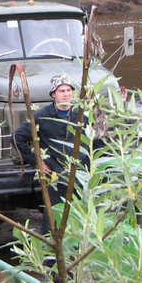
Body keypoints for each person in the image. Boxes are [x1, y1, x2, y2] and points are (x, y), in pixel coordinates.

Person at [12, 74, 96, 202]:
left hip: (82, 172)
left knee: (83, 211)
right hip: (56, 173)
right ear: (53, 94)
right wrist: (37, 162)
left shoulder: (82, 115)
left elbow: (100, 138)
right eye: (62, 91)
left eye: (69, 90)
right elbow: (17, 138)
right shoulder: (42, 116)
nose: (66, 94)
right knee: (54, 213)